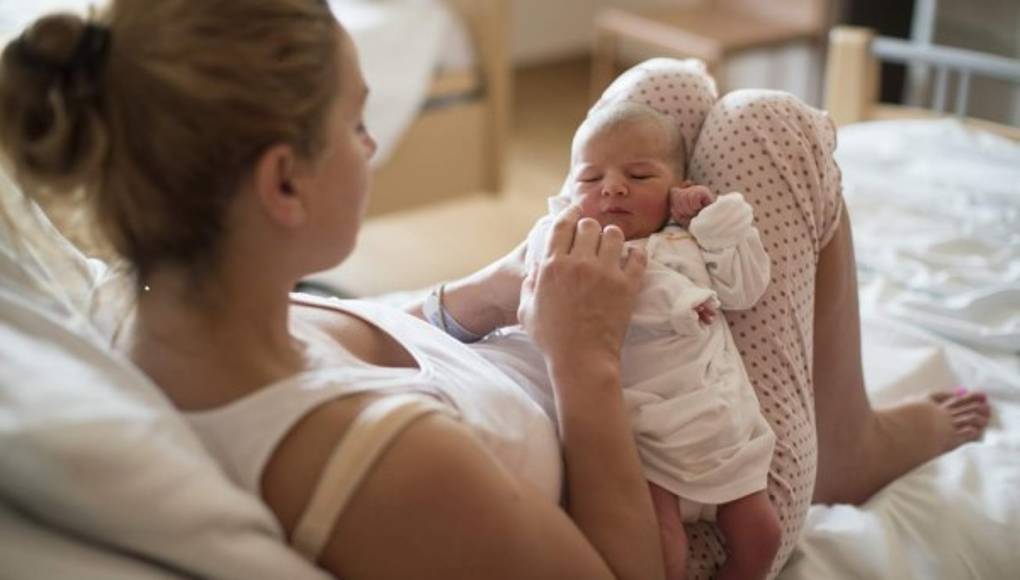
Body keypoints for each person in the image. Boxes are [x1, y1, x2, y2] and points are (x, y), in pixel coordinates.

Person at [0, 4, 990, 579]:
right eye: (355, 126)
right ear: (283, 184)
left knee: (664, 98)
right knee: (770, 128)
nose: (371, 145)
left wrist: (470, 298)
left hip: (563, 338)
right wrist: (582, 358)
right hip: (679, 471)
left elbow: (406, 349)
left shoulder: (154, 307)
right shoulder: (386, 468)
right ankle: (840, 442)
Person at [477, 100, 781, 580]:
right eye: (590, 179)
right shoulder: (578, 248)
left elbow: (747, 289)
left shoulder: (688, 241)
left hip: (721, 430)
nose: (613, 187)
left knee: (763, 539)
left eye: (639, 176)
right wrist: (564, 224)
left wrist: (711, 218)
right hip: (643, 435)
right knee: (664, 548)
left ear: (677, 187)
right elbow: (549, 286)